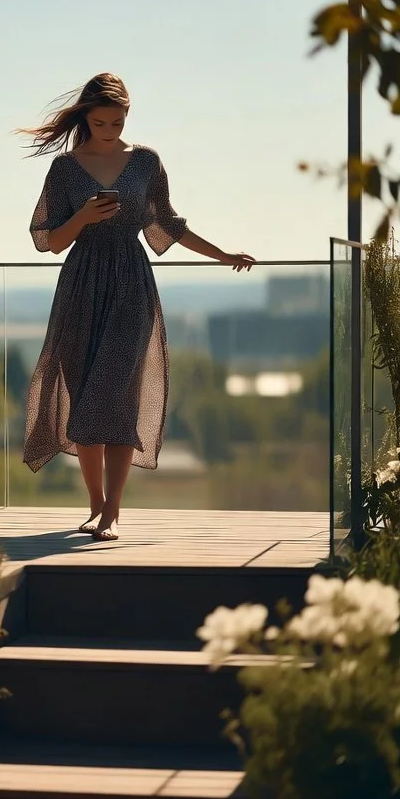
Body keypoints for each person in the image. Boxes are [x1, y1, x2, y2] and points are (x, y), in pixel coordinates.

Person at [21, 73, 255, 541]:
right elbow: (48, 241)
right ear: (85, 117)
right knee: (84, 397)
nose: (110, 129)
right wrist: (83, 216)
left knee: (117, 397)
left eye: (118, 120)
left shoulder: (145, 163)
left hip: (131, 285)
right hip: (80, 285)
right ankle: (95, 506)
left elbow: (168, 225)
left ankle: (112, 511)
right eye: (102, 121)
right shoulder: (65, 170)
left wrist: (224, 255)